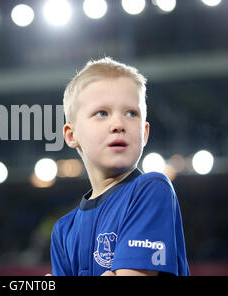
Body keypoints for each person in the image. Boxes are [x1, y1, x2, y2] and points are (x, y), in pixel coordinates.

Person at [50, 57, 190, 276]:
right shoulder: (63, 231)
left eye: (131, 113)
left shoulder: (152, 189)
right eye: (102, 113)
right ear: (72, 134)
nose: (118, 125)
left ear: (144, 133)